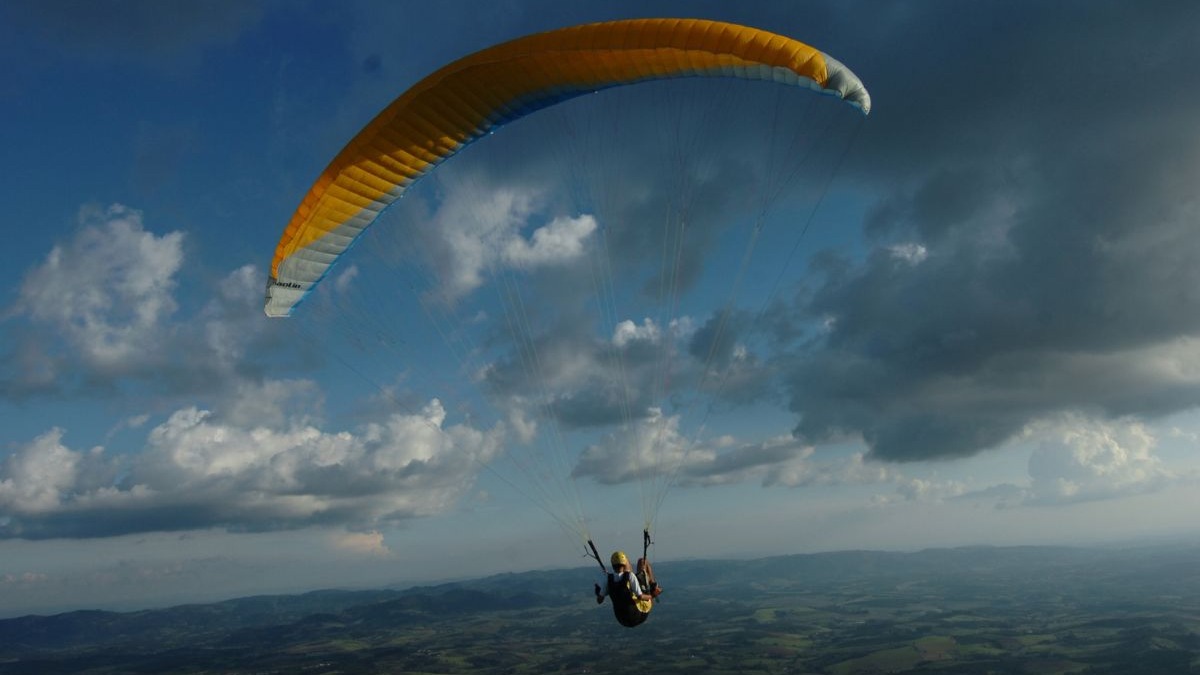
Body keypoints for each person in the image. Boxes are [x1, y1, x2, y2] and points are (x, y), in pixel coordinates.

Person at [594, 550, 663, 627]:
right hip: (638, 615)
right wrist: (653, 595)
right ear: (623, 565)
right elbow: (640, 597)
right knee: (643, 562)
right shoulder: (630, 576)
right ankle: (653, 585)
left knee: (630, 585)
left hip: (622, 619)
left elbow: (599, 601)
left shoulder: (607, 579)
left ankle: (651, 585)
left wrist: (599, 592)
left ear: (612, 566)